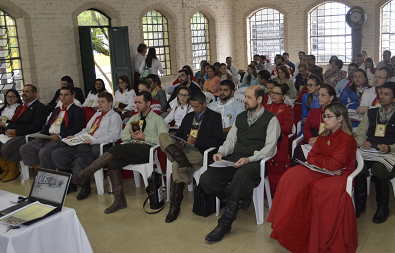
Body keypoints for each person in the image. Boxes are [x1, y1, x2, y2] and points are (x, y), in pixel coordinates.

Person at [268, 102, 358, 253]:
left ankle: (316, 236)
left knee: (318, 189)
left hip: (341, 174)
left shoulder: (347, 139)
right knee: (291, 176)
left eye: (328, 117)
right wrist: (323, 163)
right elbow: (310, 157)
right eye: (324, 116)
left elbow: (335, 165)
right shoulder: (324, 135)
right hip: (323, 170)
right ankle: (287, 227)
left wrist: (322, 162)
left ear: (340, 118)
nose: (324, 120)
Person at [199, 85, 280, 244]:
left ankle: (225, 223)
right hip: (235, 159)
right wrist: (221, 152)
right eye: (245, 97)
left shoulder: (271, 119)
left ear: (259, 100)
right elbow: (230, 140)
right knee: (206, 178)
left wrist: (250, 159)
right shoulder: (241, 117)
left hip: (255, 163)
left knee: (241, 176)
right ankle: (238, 201)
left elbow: (270, 148)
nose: (245, 100)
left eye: (249, 97)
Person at [71, 91, 168, 214]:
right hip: (131, 149)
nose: (136, 105)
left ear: (148, 103)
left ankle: (84, 174)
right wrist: (132, 136)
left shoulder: (157, 119)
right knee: (113, 161)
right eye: (135, 102)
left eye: (139, 102)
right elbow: (123, 136)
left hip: (146, 150)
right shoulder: (134, 118)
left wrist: (144, 138)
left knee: (116, 149)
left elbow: (163, 138)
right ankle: (120, 200)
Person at [159, 92, 224, 222]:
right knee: (162, 136)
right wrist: (180, 141)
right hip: (184, 150)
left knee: (176, 165)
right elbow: (181, 133)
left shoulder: (214, 117)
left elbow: (217, 141)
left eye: (197, 107)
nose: (194, 109)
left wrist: (197, 141)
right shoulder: (189, 117)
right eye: (192, 106)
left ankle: (174, 207)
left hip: (199, 151)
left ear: (205, 104)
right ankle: (184, 162)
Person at [354, 82, 395, 223]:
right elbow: (360, 133)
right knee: (357, 164)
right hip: (370, 150)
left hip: (390, 152)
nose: (381, 97)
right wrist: (362, 142)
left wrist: (391, 148)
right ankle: (360, 202)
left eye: (386, 94)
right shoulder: (371, 112)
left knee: (379, 168)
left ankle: (383, 207)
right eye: (381, 93)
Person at [50, 92, 122, 200]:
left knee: (80, 158)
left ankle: (85, 186)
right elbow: (87, 130)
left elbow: (114, 136)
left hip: (101, 146)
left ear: (110, 103)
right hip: (84, 144)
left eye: (103, 102)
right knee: (57, 154)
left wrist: (95, 141)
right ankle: (71, 182)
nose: (100, 104)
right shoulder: (97, 114)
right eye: (98, 102)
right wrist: (74, 137)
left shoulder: (114, 117)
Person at [19, 86, 85, 180]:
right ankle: (41, 170)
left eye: (66, 94)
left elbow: (77, 128)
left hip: (61, 139)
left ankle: (50, 174)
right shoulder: (57, 109)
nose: (63, 97)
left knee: (43, 152)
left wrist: (60, 135)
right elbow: (48, 125)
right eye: (61, 95)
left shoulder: (77, 110)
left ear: (73, 95)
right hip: (47, 137)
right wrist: (41, 134)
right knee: (25, 148)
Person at [0, 85, 46, 182]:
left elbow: (37, 126)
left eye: (27, 91)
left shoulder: (39, 107)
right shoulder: (22, 107)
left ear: (34, 94)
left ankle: (14, 170)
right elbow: (14, 122)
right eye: (23, 91)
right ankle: (6, 169)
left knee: (6, 148)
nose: (24, 93)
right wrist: (8, 129)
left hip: (27, 135)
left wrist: (17, 131)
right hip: (16, 133)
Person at [292, 84, 337, 166]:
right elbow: (306, 129)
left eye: (323, 95)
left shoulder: (337, 113)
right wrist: (311, 139)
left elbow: (337, 133)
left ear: (331, 97)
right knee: (298, 151)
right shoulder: (313, 112)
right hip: (311, 141)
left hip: (328, 143)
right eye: (319, 95)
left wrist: (319, 140)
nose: (319, 97)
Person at [264, 82, 294, 194]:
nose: (273, 95)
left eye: (277, 93)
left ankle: (276, 191)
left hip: (279, 140)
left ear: (284, 96)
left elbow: (287, 128)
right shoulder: (265, 107)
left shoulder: (287, 108)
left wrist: (271, 127)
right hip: (264, 138)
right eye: (272, 92)